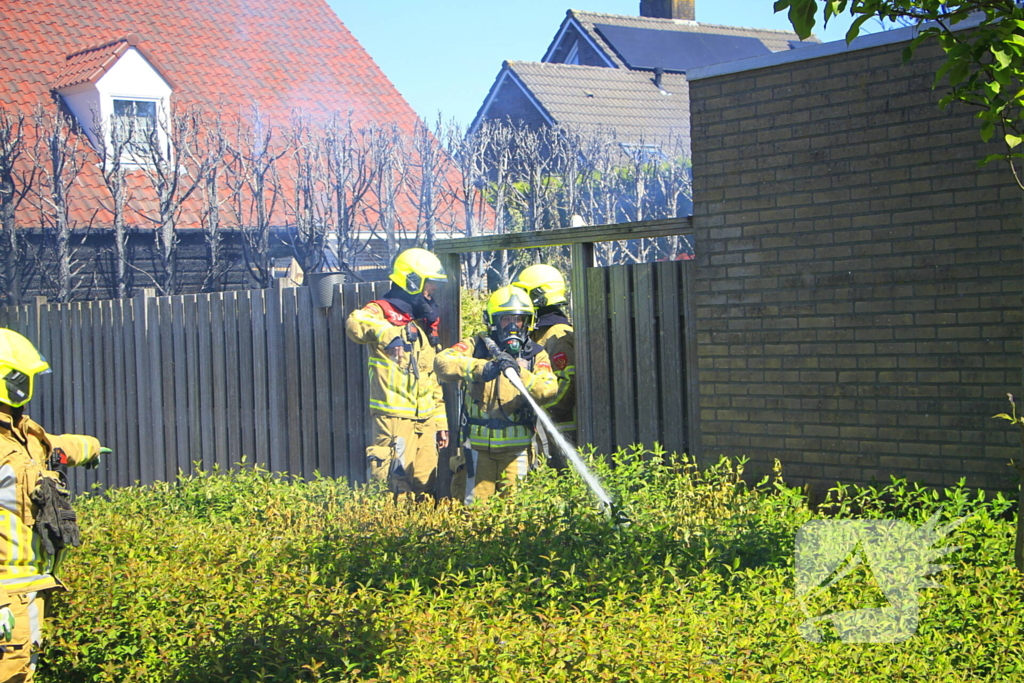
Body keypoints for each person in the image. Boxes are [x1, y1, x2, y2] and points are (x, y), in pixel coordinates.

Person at [0, 328, 106, 682]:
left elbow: (52, 447)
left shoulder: (20, 431)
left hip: (28, 587)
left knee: (26, 669)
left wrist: (89, 447)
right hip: (5, 592)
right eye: (19, 379)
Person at [435, 285, 558, 504]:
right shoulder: (476, 345)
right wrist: (483, 368)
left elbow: (548, 390)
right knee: (473, 515)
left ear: (528, 322)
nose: (512, 326)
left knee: (516, 515)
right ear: (492, 320)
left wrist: (521, 373)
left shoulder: (535, 354)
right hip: (476, 453)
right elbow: (442, 362)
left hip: (517, 454)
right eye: (505, 320)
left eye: (518, 320)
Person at [345, 248, 449, 499]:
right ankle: (390, 536)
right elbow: (354, 323)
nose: (432, 289)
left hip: (425, 421)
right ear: (411, 281)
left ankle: (422, 535)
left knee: (425, 484)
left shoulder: (421, 324)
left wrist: (441, 422)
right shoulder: (380, 312)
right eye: (429, 283)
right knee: (395, 486)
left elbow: (430, 377)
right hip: (394, 419)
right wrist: (388, 334)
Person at [512, 264, 576, 463]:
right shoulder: (540, 332)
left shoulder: (556, 334)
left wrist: (541, 411)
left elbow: (568, 383)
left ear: (539, 296)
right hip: (546, 431)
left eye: (525, 293)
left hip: (562, 429)